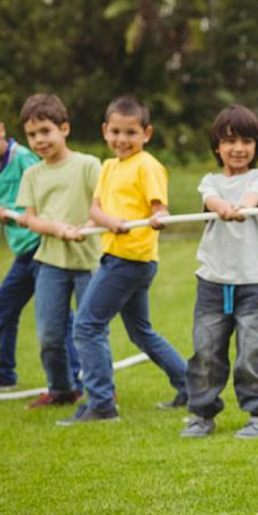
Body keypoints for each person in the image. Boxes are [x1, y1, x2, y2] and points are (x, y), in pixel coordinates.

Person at [58, 96, 188, 425]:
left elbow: (159, 208)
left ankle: (101, 405)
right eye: (116, 131)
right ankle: (192, 386)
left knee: (87, 326)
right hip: (116, 255)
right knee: (141, 332)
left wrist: (160, 216)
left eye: (131, 133)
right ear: (105, 131)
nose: (122, 139)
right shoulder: (108, 167)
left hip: (130, 260)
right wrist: (96, 224)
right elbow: (96, 209)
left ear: (146, 133)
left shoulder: (148, 166)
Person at [180, 105, 258, 439]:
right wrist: (224, 208)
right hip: (212, 279)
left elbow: (253, 197)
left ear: (257, 146)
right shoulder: (209, 182)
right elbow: (211, 200)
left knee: (252, 349)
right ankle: (201, 414)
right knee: (206, 350)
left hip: (253, 280)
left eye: (247, 141)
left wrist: (243, 207)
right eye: (230, 140)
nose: (239, 148)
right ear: (216, 147)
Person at [0, 104, 81, 392]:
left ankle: (77, 376)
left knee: (58, 318)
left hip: (43, 246)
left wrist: (13, 211)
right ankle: (4, 372)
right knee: (4, 303)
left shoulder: (24, 159)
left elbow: (43, 192)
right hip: (23, 253)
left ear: (1, 130)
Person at [15, 94, 102, 408]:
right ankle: (62, 389)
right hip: (50, 263)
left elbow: (102, 206)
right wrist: (58, 229)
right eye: (32, 135)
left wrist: (87, 225)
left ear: (64, 128)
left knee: (89, 331)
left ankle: (100, 393)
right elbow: (30, 218)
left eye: (46, 131)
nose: (39, 140)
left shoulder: (88, 165)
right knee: (50, 335)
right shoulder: (32, 175)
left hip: (89, 262)